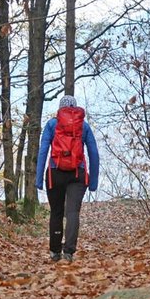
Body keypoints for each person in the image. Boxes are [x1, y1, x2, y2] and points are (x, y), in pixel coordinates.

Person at [35, 95, 99, 263]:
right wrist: (93, 182)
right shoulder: (83, 126)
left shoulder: (51, 125)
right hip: (78, 174)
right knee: (72, 212)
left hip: (55, 174)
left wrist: (39, 178)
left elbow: (43, 151)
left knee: (56, 212)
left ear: (60, 109)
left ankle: (55, 251)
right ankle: (69, 252)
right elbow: (94, 152)